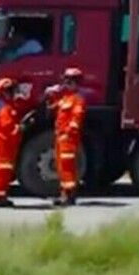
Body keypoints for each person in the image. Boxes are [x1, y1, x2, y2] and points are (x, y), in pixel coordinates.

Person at [45, 67, 86, 207]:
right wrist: (50, 94)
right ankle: (64, 194)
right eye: (65, 80)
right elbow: (52, 108)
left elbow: (76, 119)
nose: (66, 83)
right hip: (60, 136)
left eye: (69, 81)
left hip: (68, 138)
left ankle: (69, 195)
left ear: (76, 83)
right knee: (61, 166)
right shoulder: (65, 97)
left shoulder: (77, 99)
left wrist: (67, 134)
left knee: (67, 166)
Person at [0, 78, 21, 208]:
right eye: (11, 90)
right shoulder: (5, 107)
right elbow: (7, 125)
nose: (13, 93)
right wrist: (19, 128)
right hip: (3, 142)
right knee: (3, 170)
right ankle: (0, 198)